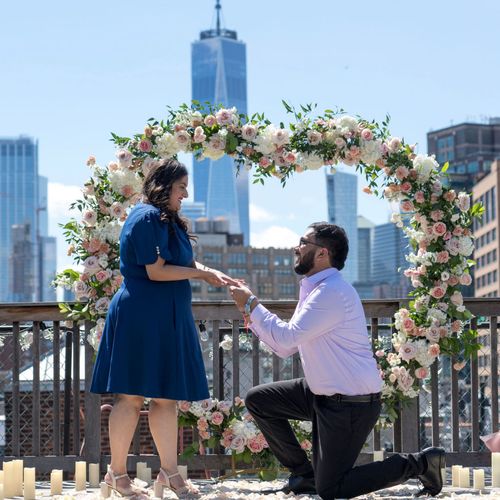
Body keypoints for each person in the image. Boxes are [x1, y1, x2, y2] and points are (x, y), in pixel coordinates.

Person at [230, 222, 445, 499]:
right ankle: (305, 475)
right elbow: (286, 347)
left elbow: (286, 339)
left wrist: (251, 305)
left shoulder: (330, 292)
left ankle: (421, 463)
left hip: (350, 404)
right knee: (260, 400)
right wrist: (252, 311)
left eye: (302, 242)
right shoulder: (317, 288)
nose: (296, 248)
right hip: (322, 394)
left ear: (322, 253)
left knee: (332, 490)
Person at [91, 158, 238, 498]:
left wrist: (213, 273)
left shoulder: (167, 220)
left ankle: (169, 474)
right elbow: (156, 271)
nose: (184, 194)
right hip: (141, 313)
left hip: (168, 314)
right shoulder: (144, 218)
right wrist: (199, 274)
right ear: (164, 186)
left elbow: (181, 263)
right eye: (181, 188)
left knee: (166, 397)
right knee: (129, 395)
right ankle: (117, 475)